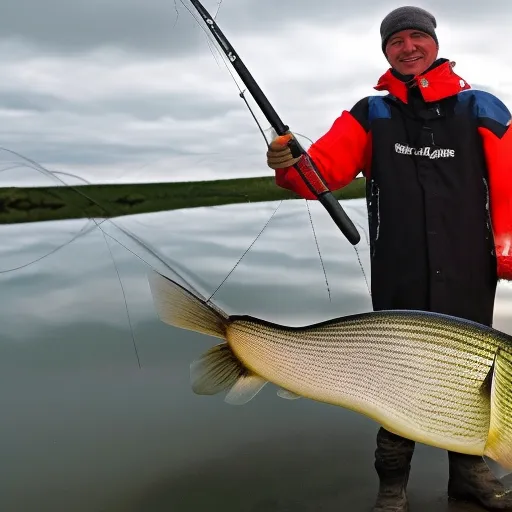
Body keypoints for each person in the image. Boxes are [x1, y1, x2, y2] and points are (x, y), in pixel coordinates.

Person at [266, 5, 512, 512]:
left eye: (417, 37)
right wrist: (290, 165)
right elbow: (320, 173)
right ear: (386, 52)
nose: (408, 47)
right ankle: (392, 486)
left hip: (470, 269)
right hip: (398, 268)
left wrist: (507, 253)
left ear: (435, 44)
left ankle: (469, 473)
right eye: (396, 41)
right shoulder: (370, 113)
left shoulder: (483, 108)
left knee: (469, 378)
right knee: (397, 374)